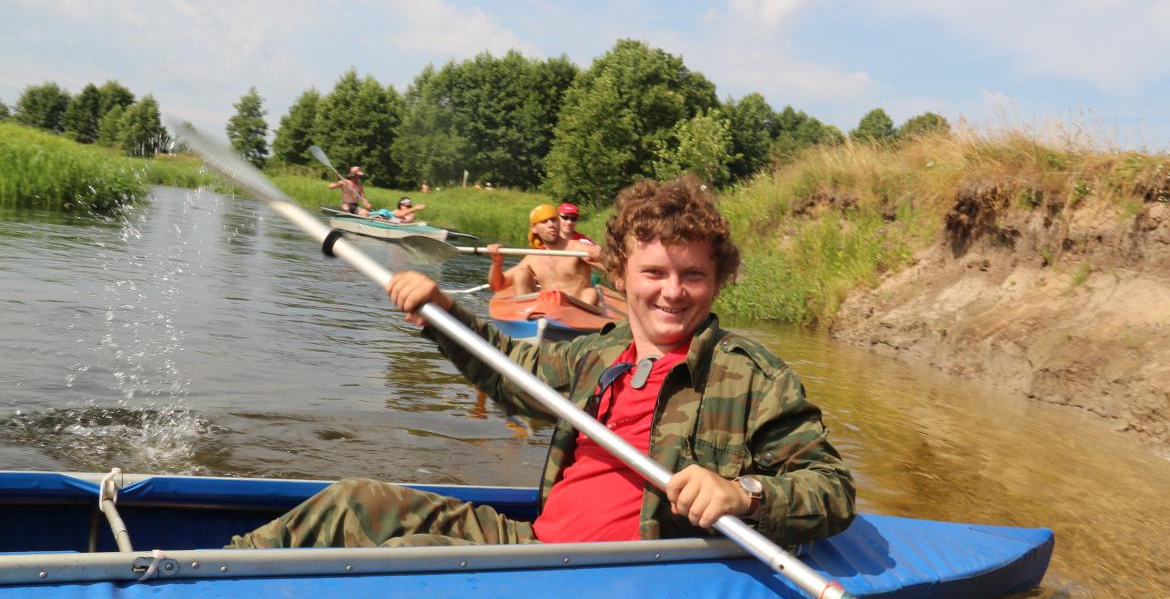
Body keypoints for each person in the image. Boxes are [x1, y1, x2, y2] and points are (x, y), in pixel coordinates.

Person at [227, 175, 855, 549]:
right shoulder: (594, 354)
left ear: (718, 281)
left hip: (616, 574)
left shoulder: (753, 377)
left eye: (693, 275)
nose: (672, 291)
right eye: (654, 272)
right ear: (621, 273)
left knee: (414, 553)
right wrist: (442, 311)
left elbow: (831, 492)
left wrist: (741, 492)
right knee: (351, 501)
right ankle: (200, 578)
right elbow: (505, 368)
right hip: (536, 547)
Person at [487, 203, 599, 305]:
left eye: (554, 220)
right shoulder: (533, 257)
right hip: (546, 311)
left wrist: (601, 254)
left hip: (577, 310)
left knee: (591, 293)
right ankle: (527, 318)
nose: (551, 224)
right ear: (534, 228)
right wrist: (497, 262)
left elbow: (612, 266)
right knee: (520, 274)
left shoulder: (578, 248)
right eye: (544, 221)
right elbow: (497, 285)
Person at [557, 202, 605, 272]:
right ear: (557, 218)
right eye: (565, 217)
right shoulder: (550, 241)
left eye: (573, 219)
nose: (569, 222)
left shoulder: (584, 241)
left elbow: (603, 259)